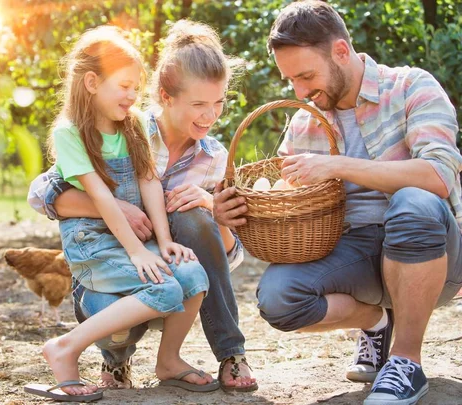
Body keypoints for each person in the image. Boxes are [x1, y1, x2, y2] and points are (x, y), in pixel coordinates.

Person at [213, 1, 462, 404]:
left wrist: (337, 166)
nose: (299, 91)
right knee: (278, 298)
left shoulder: (411, 86)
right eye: (290, 79)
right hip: (356, 254)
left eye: (306, 75)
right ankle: (377, 323)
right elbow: (286, 202)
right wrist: (233, 216)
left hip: (433, 253)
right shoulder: (304, 120)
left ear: (342, 52)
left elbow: (437, 176)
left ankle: (405, 362)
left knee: (413, 203)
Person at [28, 20, 258, 392]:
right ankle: (110, 358)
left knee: (193, 265)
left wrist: (212, 213)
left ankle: (209, 355)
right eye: (198, 104)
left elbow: (225, 258)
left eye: (218, 103)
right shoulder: (113, 122)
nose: (210, 115)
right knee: (160, 286)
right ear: (166, 96)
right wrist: (121, 209)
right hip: (103, 248)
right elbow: (42, 193)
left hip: (147, 252)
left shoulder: (209, 157)